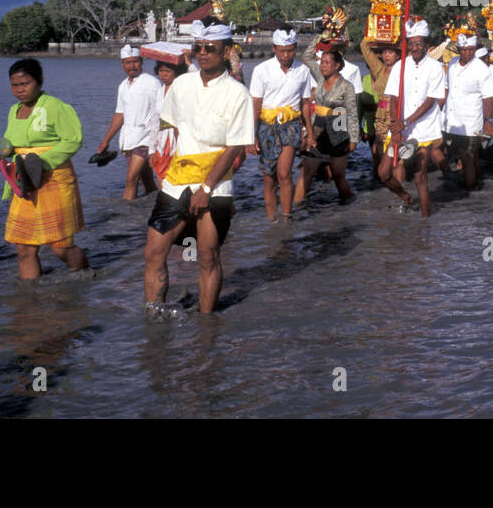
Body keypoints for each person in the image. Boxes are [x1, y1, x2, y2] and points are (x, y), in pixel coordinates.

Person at [144, 19, 254, 314]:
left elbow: (234, 147)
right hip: (178, 177)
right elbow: (178, 128)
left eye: (210, 48)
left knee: (207, 256)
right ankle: (154, 318)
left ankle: (207, 326)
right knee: (154, 252)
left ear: (227, 51)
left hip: (216, 183)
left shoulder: (237, 93)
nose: (203, 53)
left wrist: (206, 187)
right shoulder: (181, 85)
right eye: (198, 47)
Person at [2, 58, 89, 279]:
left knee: (60, 246)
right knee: (24, 247)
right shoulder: (14, 111)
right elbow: (11, 145)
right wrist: (4, 161)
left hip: (54, 178)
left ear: (39, 81)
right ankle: (29, 302)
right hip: (23, 181)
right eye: (15, 85)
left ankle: (84, 274)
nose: (20, 90)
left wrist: (41, 162)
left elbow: (73, 140)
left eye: (25, 83)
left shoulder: (55, 106)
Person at [378, 20, 447, 216]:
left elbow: (430, 101)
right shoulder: (400, 66)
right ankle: (405, 197)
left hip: (424, 130)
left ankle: (425, 224)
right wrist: (396, 127)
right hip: (400, 129)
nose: (415, 48)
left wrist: (406, 122)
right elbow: (393, 98)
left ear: (426, 44)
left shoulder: (435, 67)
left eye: (419, 43)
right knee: (383, 173)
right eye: (412, 43)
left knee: (420, 177)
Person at [247, 26, 315, 222]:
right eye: (281, 50)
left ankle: (287, 217)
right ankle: (272, 219)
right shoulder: (261, 70)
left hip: (291, 125)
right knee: (269, 177)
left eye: (290, 50)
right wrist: (250, 136)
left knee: (284, 173)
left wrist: (309, 134)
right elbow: (256, 104)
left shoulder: (303, 71)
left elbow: (305, 104)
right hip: (266, 126)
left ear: (295, 47)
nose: (286, 55)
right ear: (274, 48)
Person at [95, 45, 161, 202]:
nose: (132, 66)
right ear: (122, 64)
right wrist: (106, 141)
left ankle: (126, 219)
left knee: (131, 179)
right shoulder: (123, 86)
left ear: (141, 62)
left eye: (135, 61)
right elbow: (120, 114)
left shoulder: (152, 83)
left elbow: (161, 112)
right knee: (147, 180)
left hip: (146, 137)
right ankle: (150, 210)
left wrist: (157, 142)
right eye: (127, 62)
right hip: (129, 139)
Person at [294, 48, 359, 205]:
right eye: (322, 62)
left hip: (338, 129)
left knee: (338, 175)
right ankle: (293, 208)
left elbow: (352, 113)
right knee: (307, 171)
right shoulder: (321, 78)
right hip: (318, 129)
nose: (322, 66)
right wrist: (320, 37)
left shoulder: (347, 86)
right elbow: (306, 56)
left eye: (327, 63)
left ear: (337, 65)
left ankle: (349, 203)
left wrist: (354, 139)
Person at [444, 33, 493, 190]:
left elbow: (488, 98)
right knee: (458, 155)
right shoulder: (452, 64)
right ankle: (472, 181)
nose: (468, 53)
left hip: (471, 121)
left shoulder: (481, 69)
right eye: (465, 49)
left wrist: (488, 121)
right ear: (459, 49)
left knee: (467, 156)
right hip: (451, 119)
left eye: (471, 50)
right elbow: (447, 88)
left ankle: (470, 189)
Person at [360, 35, 401, 178]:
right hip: (381, 115)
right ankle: (379, 181)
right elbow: (364, 47)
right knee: (378, 149)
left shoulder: (403, 70)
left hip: (397, 114)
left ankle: (398, 183)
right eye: (384, 52)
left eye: (391, 53)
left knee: (397, 155)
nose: (387, 56)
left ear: (397, 56)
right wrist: (375, 33)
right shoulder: (379, 69)